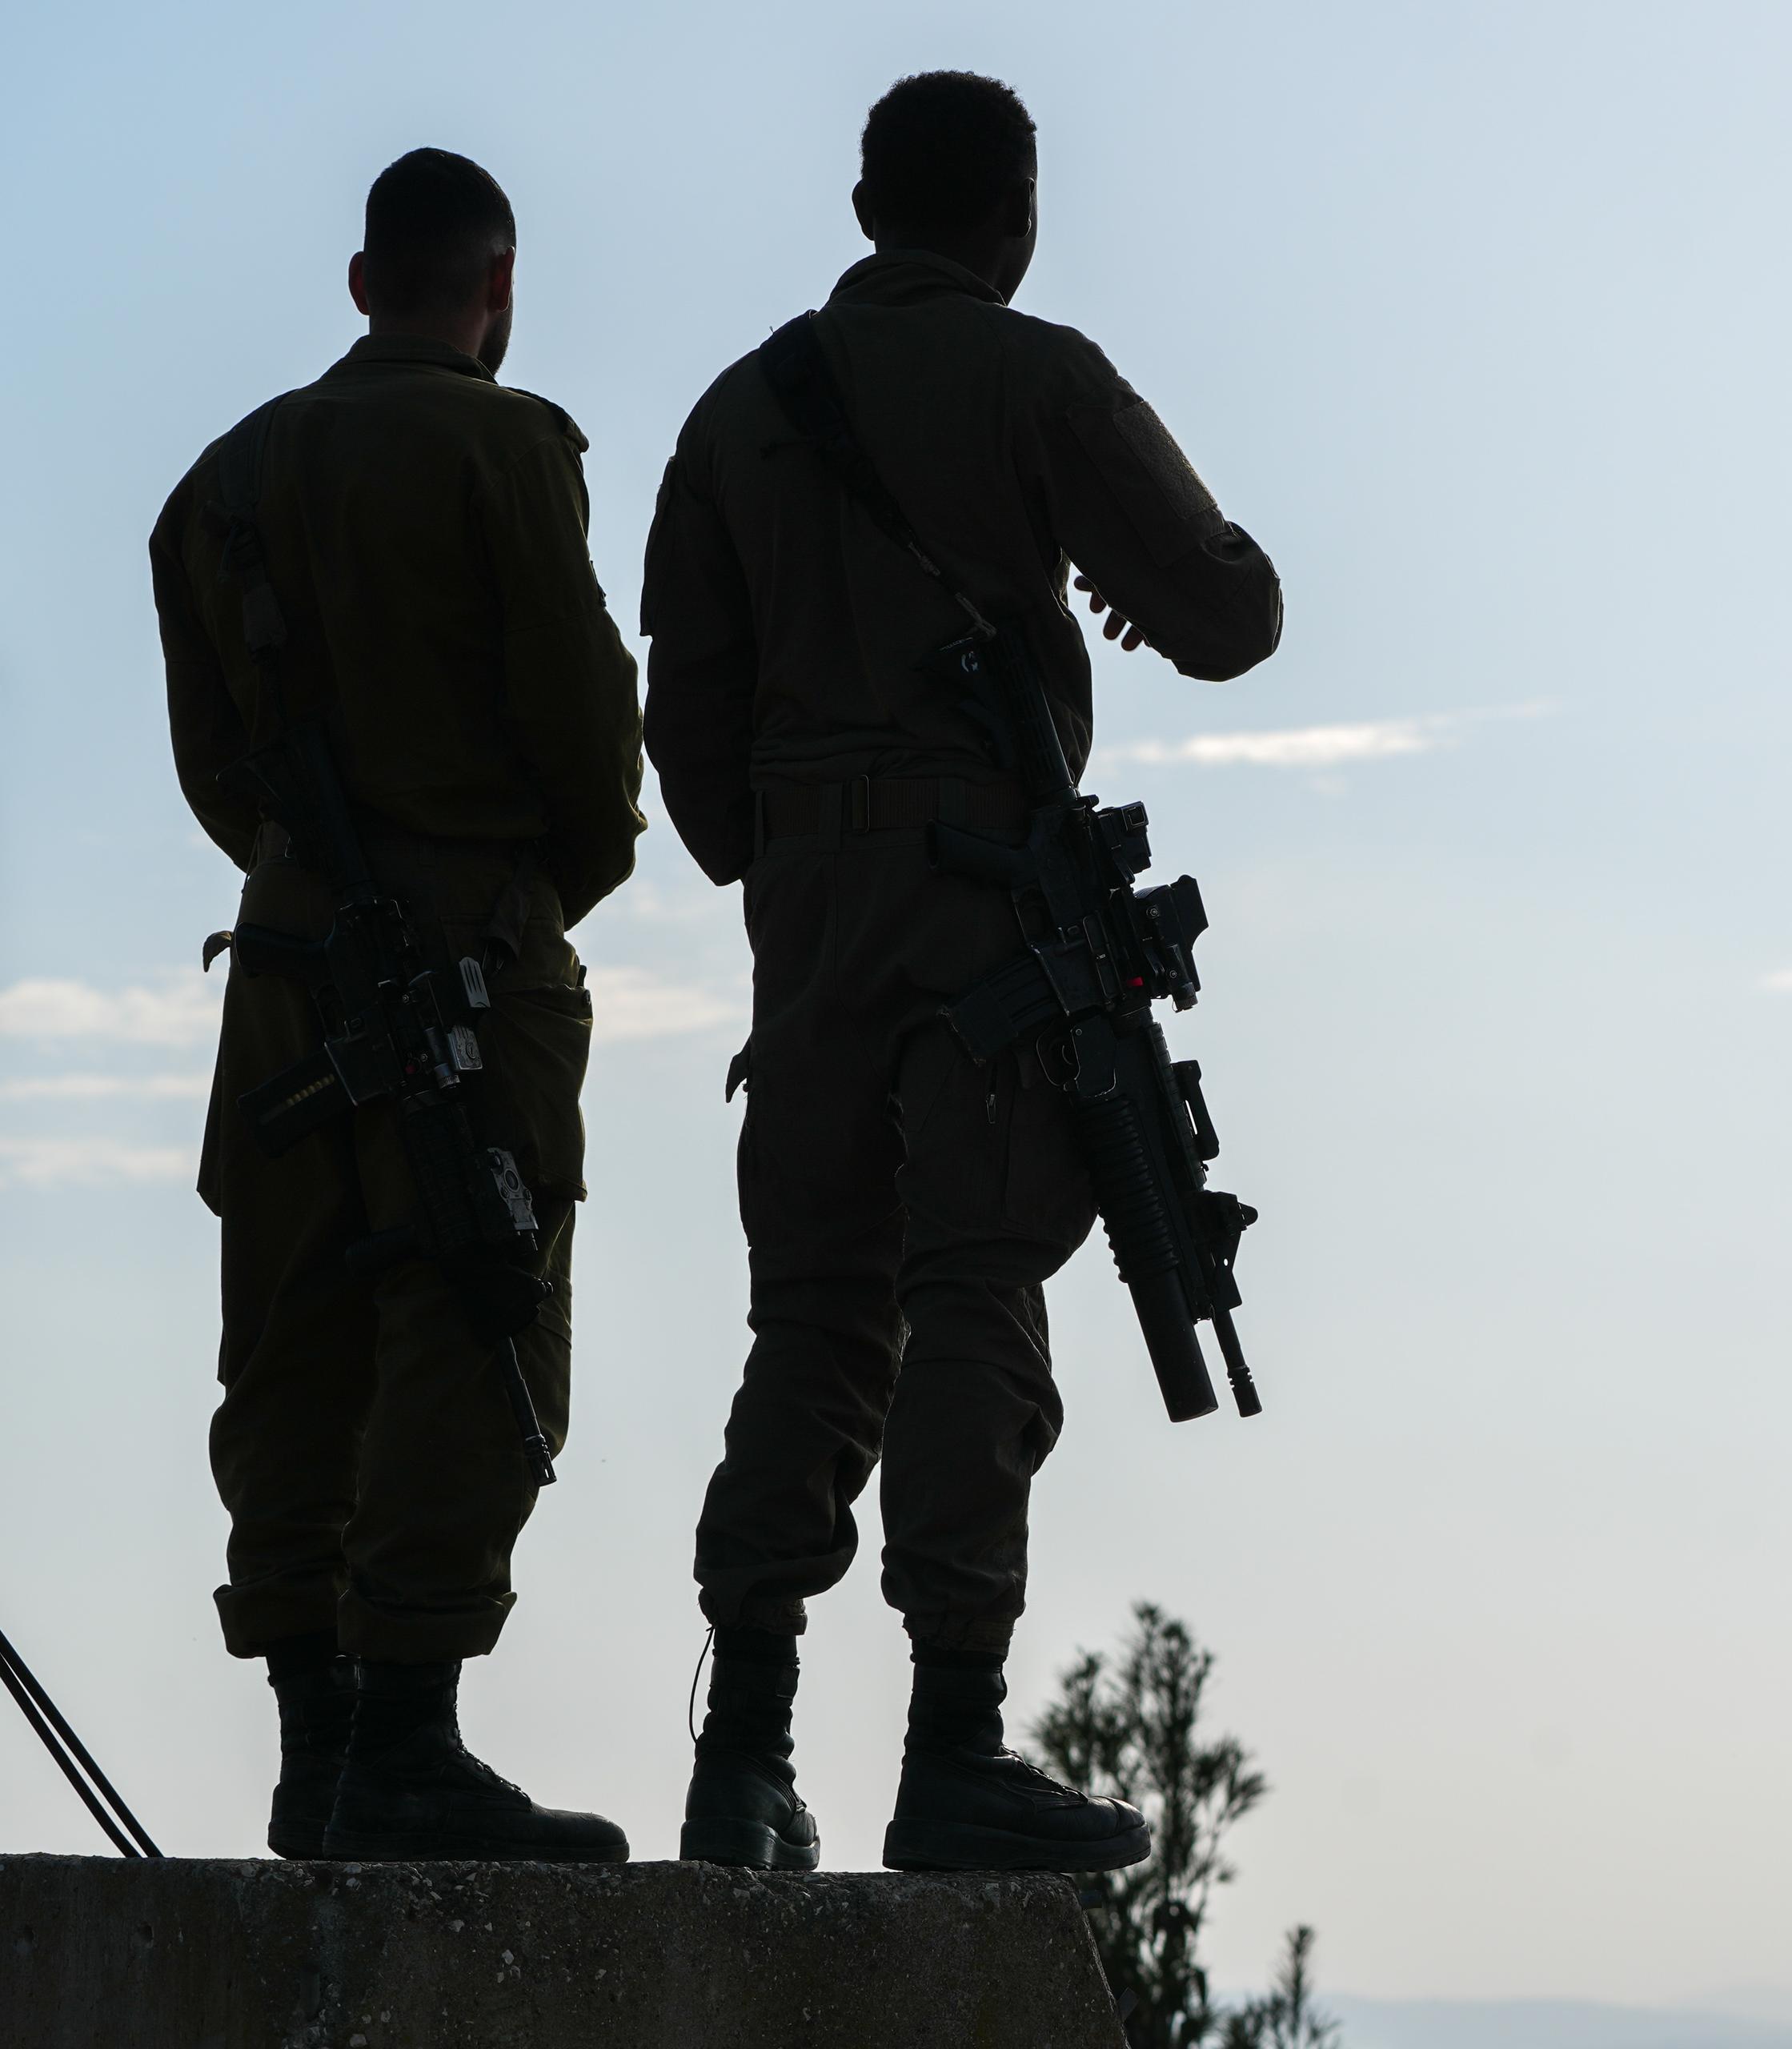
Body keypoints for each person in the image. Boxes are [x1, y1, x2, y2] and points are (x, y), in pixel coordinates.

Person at [641, 69, 1283, 1872]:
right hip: (979, 902)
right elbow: (1233, 613)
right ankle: (954, 1748)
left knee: (820, 1310)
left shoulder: (735, 416)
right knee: (976, 1282)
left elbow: (683, 729)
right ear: (1013, 218)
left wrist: (797, 851)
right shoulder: (1037, 377)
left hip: (810, 925)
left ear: (866, 212)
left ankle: (745, 1748)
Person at [150, 148, 643, 1862]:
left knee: (293, 1334)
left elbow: (218, 771)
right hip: (471, 958)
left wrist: (307, 882)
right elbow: (593, 739)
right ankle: (411, 1741)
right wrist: (514, 889)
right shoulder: (509, 448)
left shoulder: (215, 487)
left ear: (364, 282)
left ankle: (316, 1745)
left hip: (284, 974)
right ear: (494, 292)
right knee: (479, 1311)